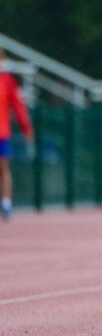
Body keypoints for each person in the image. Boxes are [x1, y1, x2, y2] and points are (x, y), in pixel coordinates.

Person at [0, 47, 33, 221]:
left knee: (3, 168)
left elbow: (17, 105)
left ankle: (6, 204)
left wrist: (25, 127)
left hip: (1, 132)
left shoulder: (7, 80)